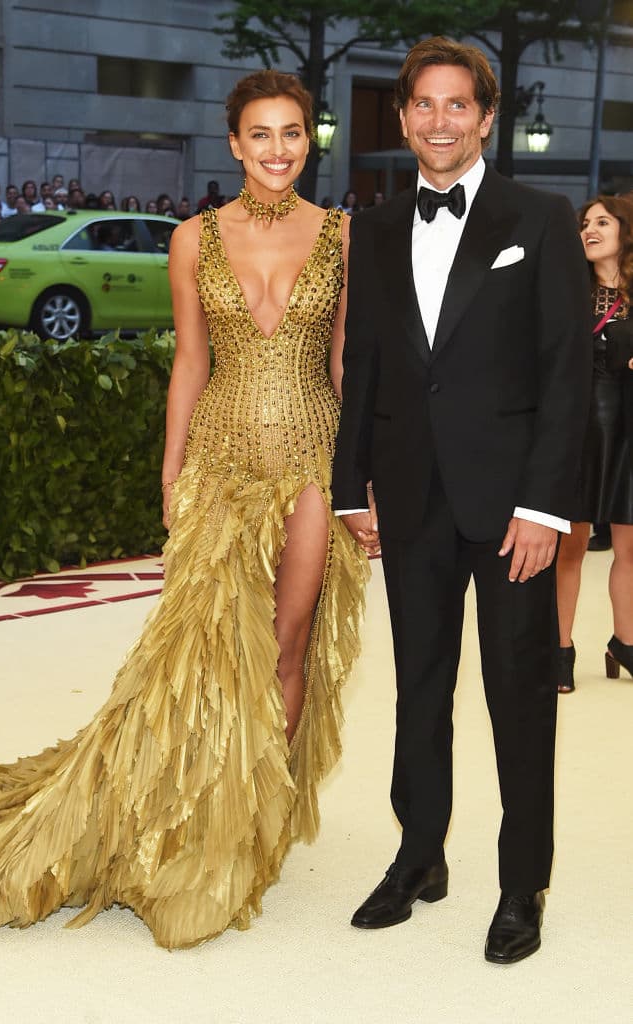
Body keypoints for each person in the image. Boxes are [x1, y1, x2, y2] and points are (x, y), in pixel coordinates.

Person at [0, 68, 368, 960]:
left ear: (309, 139)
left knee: (288, 645)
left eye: (292, 133)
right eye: (260, 134)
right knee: (204, 649)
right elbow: (187, 362)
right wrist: (169, 471)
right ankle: (188, 812)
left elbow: (343, 366)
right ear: (233, 144)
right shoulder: (191, 239)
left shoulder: (340, 237)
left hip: (309, 456)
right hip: (218, 457)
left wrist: (362, 481)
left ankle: (255, 823)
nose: (277, 150)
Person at [332, 36, 592, 965]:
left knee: (518, 695)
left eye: (457, 106)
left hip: (511, 503)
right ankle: (418, 857)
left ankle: (521, 883)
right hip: (408, 494)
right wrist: (346, 489)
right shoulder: (371, 226)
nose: (439, 121)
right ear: (402, 118)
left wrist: (543, 506)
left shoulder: (542, 216)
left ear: (486, 117)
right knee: (419, 689)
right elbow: (361, 362)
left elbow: (566, 374)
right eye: (422, 105)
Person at [556, 195, 633, 691]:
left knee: (631, 546)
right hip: (576, 430)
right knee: (570, 547)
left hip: (630, 431)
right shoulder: (567, 292)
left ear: (626, 232)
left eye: (602, 221)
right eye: (585, 223)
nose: (589, 229)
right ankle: (559, 649)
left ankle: (624, 642)